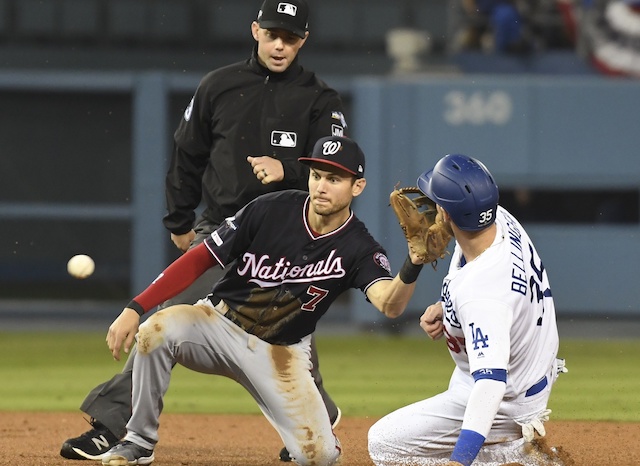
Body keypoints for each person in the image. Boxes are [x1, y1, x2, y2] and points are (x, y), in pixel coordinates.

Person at [60, 0, 349, 462]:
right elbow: (187, 155)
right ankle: (116, 426)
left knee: (280, 330)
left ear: (304, 41)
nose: (280, 44)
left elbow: (336, 171)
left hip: (288, 239)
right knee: (173, 322)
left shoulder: (320, 99)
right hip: (222, 229)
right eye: (272, 33)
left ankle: (316, 405)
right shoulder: (219, 85)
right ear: (255, 30)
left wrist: (290, 169)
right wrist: (179, 220)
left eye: (290, 37)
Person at [98, 135, 426, 466]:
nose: (321, 186)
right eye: (316, 175)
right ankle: (138, 441)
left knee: (320, 457)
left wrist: (412, 264)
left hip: (281, 354)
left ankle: (319, 431)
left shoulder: (359, 247)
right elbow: (199, 259)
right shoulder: (272, 208)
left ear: (358, 187)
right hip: (218, 325)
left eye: (334, 179)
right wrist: (135, 307)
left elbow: (390, 304)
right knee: (155, 330)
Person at [368, 154, 567, 466]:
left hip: (507, 399)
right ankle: (511, 451)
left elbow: (490, 384)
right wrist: (448, 310)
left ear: (446, 212)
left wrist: (459, 461)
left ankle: (516, 457)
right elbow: (490, 297)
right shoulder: (499, 219)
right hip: (530, 367)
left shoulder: (482, 294)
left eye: (436, 202)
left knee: (383, 445)